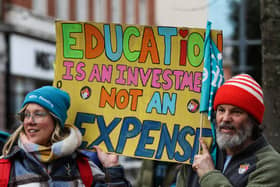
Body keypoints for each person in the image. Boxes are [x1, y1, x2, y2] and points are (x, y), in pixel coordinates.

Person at [0, 86, 131, 186]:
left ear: (56, 121)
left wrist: (112, 169)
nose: (29, 121)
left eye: (38, 114)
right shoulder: (6, 167)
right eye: (26, 114)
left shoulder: (83, 167)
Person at [176, 74, 280, 187]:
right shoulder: (203, 154)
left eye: (236, 112)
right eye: (221, 110)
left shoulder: (269, 165)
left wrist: (208, 175)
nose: (225, 118)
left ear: (253, 120)